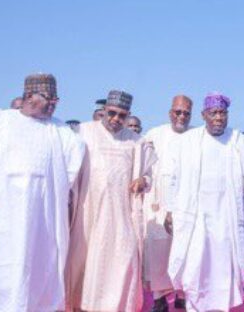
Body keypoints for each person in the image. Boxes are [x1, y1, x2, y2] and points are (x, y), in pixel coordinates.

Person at [0, 73, 85, 311]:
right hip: (4, 217)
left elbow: (74, 161)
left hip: (43, 221)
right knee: (0, 270)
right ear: (28, 97)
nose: (54, 103)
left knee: (40, 272)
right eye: (49, 97)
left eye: (57, 98)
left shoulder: (61, 132)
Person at [165, 92, 244, 311]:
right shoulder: (188, 140)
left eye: (222, 113)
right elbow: (174, 177)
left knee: (223, 269)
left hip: (225, 219)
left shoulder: (237, 141)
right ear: (204, 115)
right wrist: (169, 210)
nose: (219, 118)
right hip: (196, 219)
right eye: (214, 113)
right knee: (195, 266)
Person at [65, 90, 156, 312]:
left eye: (122, 116)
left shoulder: (136, 141)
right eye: (112, 113)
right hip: (88, 215)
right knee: (84, 264)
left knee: (123, 260)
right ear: (104, 110)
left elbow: (150, 172)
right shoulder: (83, 133)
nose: (116, 119)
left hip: (121, 217)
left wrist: (143, 180)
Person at [142, 95, 193, 311]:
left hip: (186, 204)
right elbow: (144, 168)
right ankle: (160, 297)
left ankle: (182, 294)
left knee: (185, 251)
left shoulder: (196, 137)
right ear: (170, 112)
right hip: (159, 203)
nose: (181, 116)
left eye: (186, 113)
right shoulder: (154, 134)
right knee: (159, 252)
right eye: (178, 112)